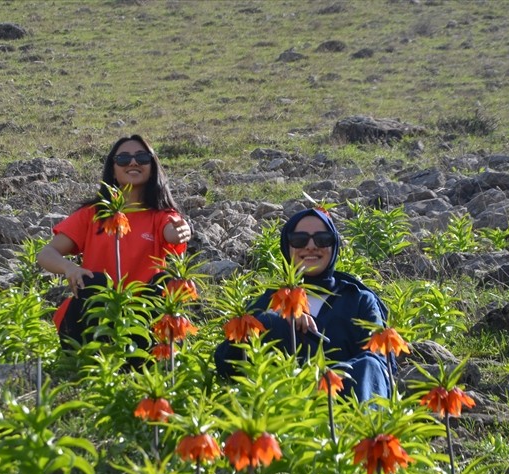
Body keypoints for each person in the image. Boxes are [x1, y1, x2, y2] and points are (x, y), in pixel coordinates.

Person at [214, 208, 391, 402]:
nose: (311, 246)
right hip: (284, 404)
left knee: (369, 364)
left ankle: (362, 420)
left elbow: (378, 363)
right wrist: (272, 321)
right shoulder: (269, 300)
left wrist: (329, 376)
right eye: (299, 240)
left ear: (334, 245)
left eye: (323, 239)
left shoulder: (358, 299)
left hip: (345, 401)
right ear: (287, 246)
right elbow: (225, 363)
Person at [37, 135, 191, 348]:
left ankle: (155, 349)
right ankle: (86, 352)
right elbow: (46, 254)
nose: (133, 162)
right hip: (96, 311)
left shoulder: (161, 215)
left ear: (152, 166)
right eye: (124, 158)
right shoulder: (92, 213)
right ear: (113, 169)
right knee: (95, 282)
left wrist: (181, 230)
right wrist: (69, 268)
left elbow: (172, 231)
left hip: (140, 314)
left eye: (142, 157)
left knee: (164, 282)